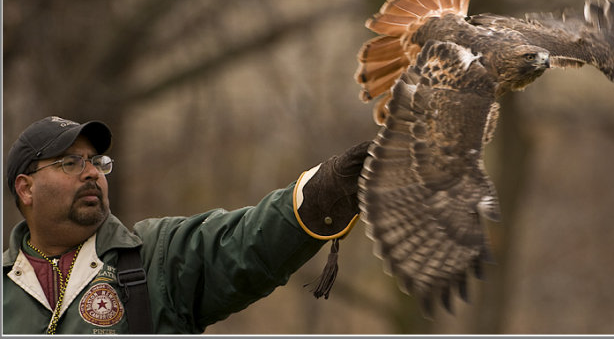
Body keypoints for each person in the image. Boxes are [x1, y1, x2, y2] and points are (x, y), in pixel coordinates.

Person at [3, 115, 370, 334]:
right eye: (70, 163)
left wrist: (324, 189)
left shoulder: (155, 256)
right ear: (26, 188)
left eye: (97, 162)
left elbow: (244, 243)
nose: (92, 173)